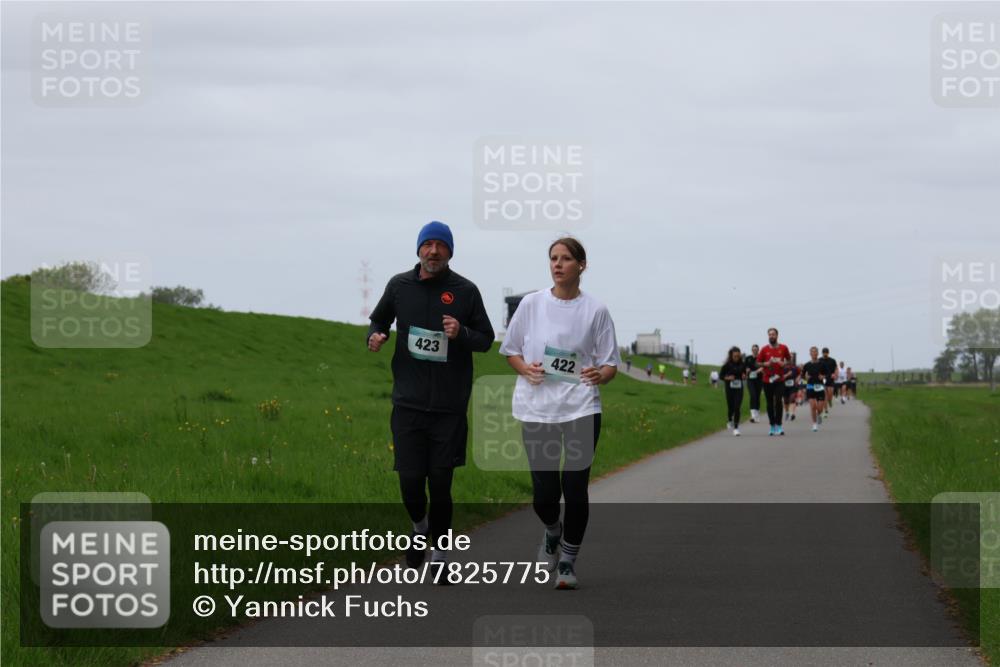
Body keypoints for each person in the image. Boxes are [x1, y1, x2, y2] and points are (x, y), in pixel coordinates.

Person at [367, 221, 495, 576]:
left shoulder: (465, 291)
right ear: (419, 249)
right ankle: (420, 527)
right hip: (407, 404)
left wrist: (461, 332)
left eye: (441, 245)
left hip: (449, 408)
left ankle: (439, 557)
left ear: (450, 252)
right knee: (410, 482)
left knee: (440, 484)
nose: (434, 251)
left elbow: (486, 339)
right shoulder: (399, 286)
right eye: (428, 245)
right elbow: (379, 321)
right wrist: (375, 336)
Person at [499, 237, 620, 590]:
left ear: (582, 265)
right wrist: (526, 369)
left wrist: (600, 375)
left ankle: (567, 561)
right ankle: (552, 531)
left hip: (581, 406)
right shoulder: (531, 304)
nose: (558, 264)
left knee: (575, 486)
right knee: (545, 494)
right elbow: (510, 350)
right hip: (537, 408)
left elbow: (610, 363)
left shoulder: (596, 310)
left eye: (566, 258)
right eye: (553, 258)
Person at [757, 327, 791, 436]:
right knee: (770, 403)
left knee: (778, 401)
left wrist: (784, 363)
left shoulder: (783, 348)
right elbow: (758, 363)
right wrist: (766, 364)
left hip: (779, 379)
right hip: (767, 380)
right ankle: (772, 425)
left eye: (773, 334)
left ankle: (779, 425)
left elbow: (789, 360)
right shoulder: (764, 349)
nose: (771, 336)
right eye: (770, 334)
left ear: (777, 335)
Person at [719, 346, 746, 436]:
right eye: (735, 356)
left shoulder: (742, 364)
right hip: (729, 388)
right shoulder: (727, 365)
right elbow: (721, 376)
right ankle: (730, 419)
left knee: (737, 407)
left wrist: (744, 376)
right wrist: (728, 378)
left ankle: (736, 428)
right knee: (731, 407)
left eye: (738, 356)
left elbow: (745, 374)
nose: (736, 358)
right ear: (731, 356)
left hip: (739, 388)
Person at [802, 346, 827, 432]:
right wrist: (805, 377)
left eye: (815, 352)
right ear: (810, 354)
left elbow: (828, 374)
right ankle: (814, 424)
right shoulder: (807, 365)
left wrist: (823, 376)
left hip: (820, 387)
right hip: (810, 386)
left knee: (819, 408)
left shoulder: (822, 364)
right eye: (812, 352)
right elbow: (802, 375)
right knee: (813, 407)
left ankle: (819, 414)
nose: (814, 353)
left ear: (817, 353)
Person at [745, 344, 762, 423]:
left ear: (758, 350)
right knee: (753, 395)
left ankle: (757, 415)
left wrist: (758, 371)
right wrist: (747, 370)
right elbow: (745, 367)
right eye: (753, 349)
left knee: (757, 396)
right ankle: (753, 416)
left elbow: (764, 366)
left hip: (759, 379)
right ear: (752, 350)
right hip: (750, 379)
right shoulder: (748, 358)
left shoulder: (761, 358)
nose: (754, 350)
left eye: (756, 349)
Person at [819, 348, 837, 417]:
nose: (825, 354)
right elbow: (817, 368)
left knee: (830, 393)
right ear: (822, 353)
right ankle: (826, 409)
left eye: (826, 352)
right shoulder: (819, 360)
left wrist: (835, 374)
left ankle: (830, 401)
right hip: (823, 379)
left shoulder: (832, 360)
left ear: (828, 353)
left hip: (830, 379)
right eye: (824, 352)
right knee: (824, 395)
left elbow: (836, 369)